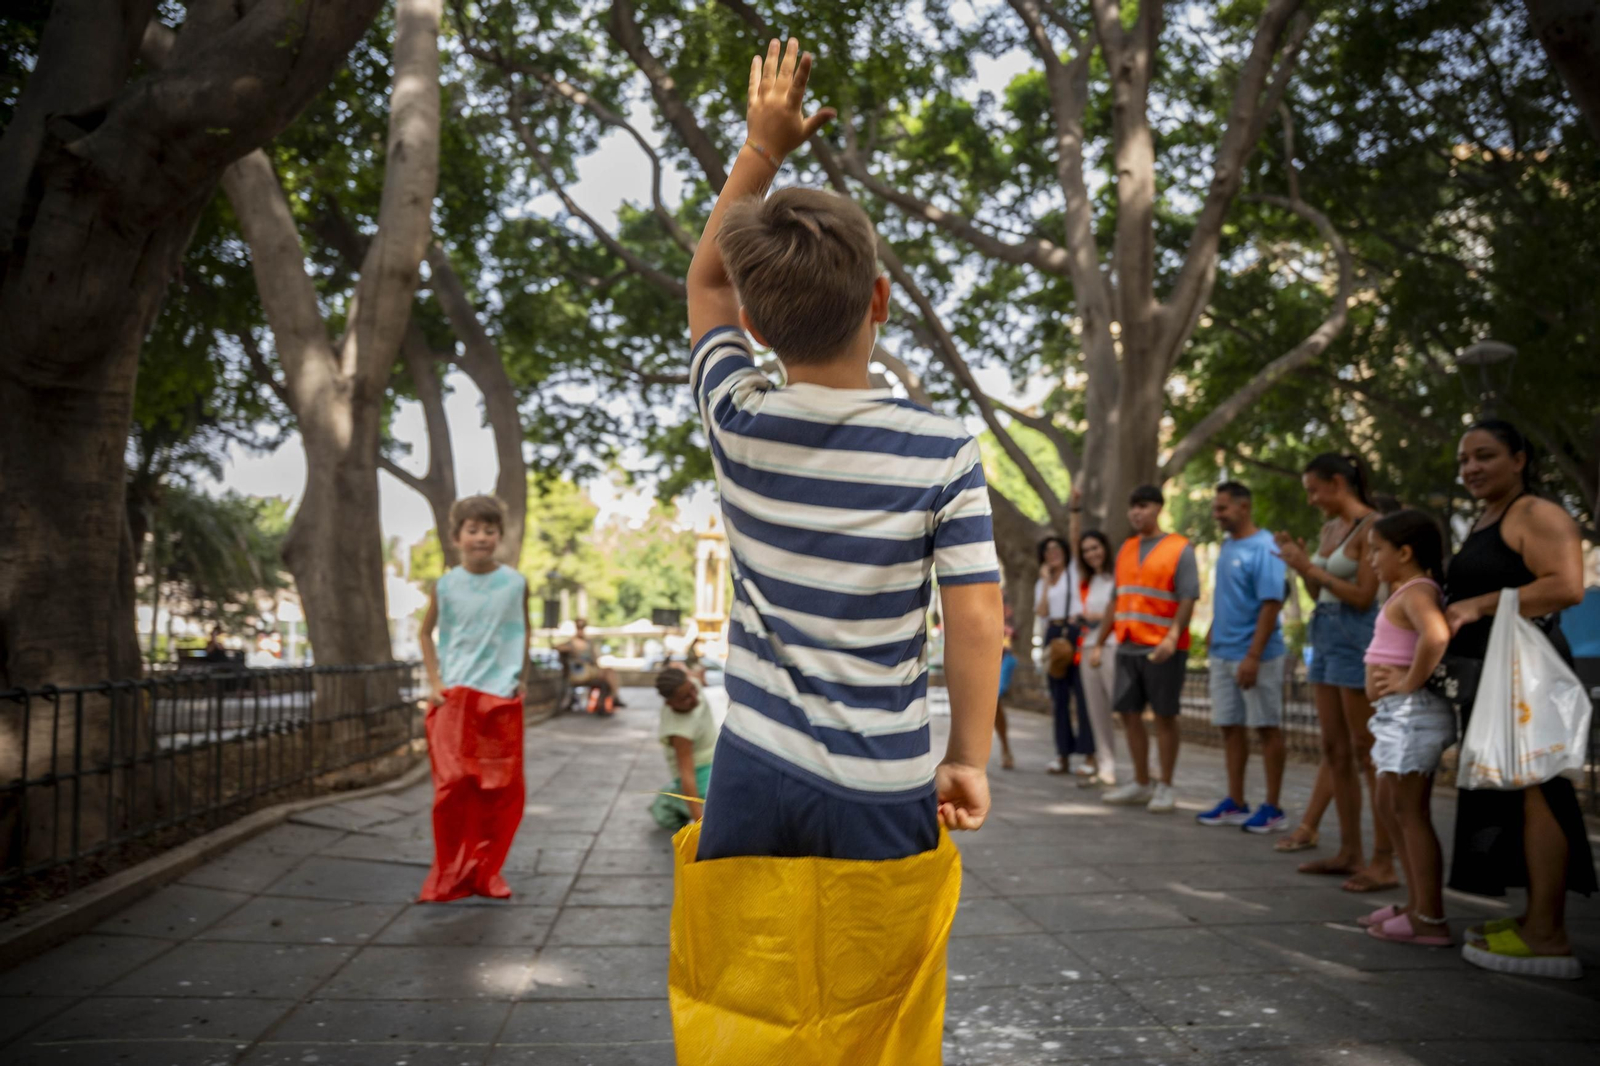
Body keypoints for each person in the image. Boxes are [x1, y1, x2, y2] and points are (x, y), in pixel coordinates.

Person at [684, 38, 1003, 862]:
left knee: (743, 983)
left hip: (751, 768)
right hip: (882, 781)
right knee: (875, 984)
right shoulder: (943, 451)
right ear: (882, 301)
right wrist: (966, 756)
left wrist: (761, 147)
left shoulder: (738, 418)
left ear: (753, 328)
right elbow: (975, 616)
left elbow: (706, 282)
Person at [1442, 421, 1591, 978]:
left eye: (1485, 456)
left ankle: (1549, 933)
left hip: (1525, 678)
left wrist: (1477, 605)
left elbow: (1567, 585)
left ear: (1520, 459)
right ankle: (1532, 918)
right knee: (1515, 797)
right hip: (1496, 677)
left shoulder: (1535, 513)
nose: (1471, 468)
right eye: (1464, 460)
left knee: (1539, 794)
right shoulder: (1490, 516)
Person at [1275, 454, 1397, 893]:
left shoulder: (1373, 527)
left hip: (1356, 636)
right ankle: (1349, 852)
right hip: (1324, 632)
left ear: (1339, 483)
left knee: (1367, 751)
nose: (1311, 500)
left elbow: (1365, 595)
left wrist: (1309, 568)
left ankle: (1384, 861)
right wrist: (1302, 566)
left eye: (1314, 489)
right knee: (1333, 747)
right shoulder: (1330, 530)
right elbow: (1317, 591)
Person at [416, 495, 530, 901]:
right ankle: (448, 871)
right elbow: (424, 634)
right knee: (451, 787)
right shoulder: (446, 585)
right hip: (454, 698)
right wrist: (434, 683)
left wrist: (521, 675)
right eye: (473, 530)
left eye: (489, 530)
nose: (481, 537)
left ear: (498, 536)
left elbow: (523, 629)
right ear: (457, 537)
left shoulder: (515, 583)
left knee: (499, 793)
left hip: (498, 698)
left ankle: (488, 873)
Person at [1359, 510, 1455, 947]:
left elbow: (1435, 635)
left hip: (1411, 714)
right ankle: (1415, 903)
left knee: (1409, 812)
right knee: (1389, 805)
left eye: (1377, 549)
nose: (1372, 558)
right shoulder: (1405, 590)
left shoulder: (1417, 591)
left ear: (1404, 552)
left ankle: (1429, 918)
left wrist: (1406, 681)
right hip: (1397, 717)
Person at [1092, 485, 1198, 813]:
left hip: (1162, 648)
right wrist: (1099, 642)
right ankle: (1140, 782)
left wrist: (1171, 638)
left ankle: (1164, 786)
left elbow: (1188, 597)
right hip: (1127, 646)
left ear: (1158, 508)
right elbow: (1116, 599)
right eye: (1133, 507)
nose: (1137, 512)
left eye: (1144, 506)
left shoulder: (1180, 548)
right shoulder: (1126, 548)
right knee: (1129, 714)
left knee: (1165, 716)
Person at [1197, 482, 1289, 833]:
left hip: (1257, 656)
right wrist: (1213, 631)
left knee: (1266, 728)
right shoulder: (1227, 545)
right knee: (1229, 728)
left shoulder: (1265, 548)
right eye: (1215, 508)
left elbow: (1270, 604)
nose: (1216, 515)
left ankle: (1274, 807)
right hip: (1223, 652)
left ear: (1244, 507)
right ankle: (1235, 801)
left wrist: (1253, 655)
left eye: (1222, 509)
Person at [1071, 527, 1118, 788]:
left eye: (1095, 548)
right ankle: (1106, 766)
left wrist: (1099, 619)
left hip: (1112, 646)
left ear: (1105, 548)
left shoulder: (1116, 576)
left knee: (1122, 709)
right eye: (1087, 550)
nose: (1091, 554)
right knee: (1096, 712)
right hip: (1087, 648)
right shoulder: (1088, 581)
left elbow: (1122, 609)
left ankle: (1146, 768)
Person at [1036, 534, 1085, 774]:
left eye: (1056, 548)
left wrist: (1075, 509)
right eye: (1047, 550)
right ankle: (1062, 754)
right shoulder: (1042, 582)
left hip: (1073, 631)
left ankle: (1089, 757)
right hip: (1053, 634)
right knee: (1059, 698)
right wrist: (1045, 581)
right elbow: (1042, 611)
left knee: (1082, 695)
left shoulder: (1074, 572)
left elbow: (1075, 538)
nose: (1052, 553)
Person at [650, 667, 721, 831]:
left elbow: (689, 672)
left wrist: (698, 674)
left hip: (716, 758)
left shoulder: (691, 683)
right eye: (685, 698)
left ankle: (671, 800)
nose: (693, 697)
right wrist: (700, 823)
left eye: (692, 690)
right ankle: (670, 802)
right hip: (699, 770)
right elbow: (687, 774)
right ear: (670, 703)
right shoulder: (680, 731)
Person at [558, 617, 623, 714]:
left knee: (609, 673)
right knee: (608, 674)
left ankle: (611, 699)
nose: (581, 629)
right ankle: (615, 698)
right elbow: (557, 647)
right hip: (580, 673)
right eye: (579, 627)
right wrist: (570, 650)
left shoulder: (589, 643)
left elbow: (595, 660)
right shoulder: (570, 643)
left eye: (582, 627)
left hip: (590, 671)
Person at [995, 603, 1017, 770]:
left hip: (999, 658)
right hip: (976, 654)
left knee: (996, 703)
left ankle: (1005, 748)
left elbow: (1012, 633)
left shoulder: (1004, 604)